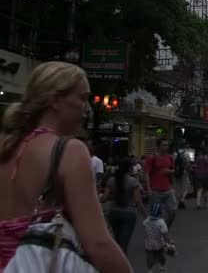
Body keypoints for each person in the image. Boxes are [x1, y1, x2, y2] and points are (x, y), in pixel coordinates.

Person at [0, 61, 133, 272]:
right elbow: (98, 244)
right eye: (82, 98)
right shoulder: (69, 151)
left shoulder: (5, 147)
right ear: (54, 99)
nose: (87, 107)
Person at [102, 157, 146, 254]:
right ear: (130, 168)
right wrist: (145, 216)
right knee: (123, 243)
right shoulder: (133, 181)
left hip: (114, 213)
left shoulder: (111, 180)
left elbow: (104, 198)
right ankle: (122, 264)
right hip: (129, 214)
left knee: (117, 240)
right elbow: (137, 200)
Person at [145, 137, 177, 228]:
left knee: (173, 211)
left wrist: (173, 185)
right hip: (156, 190)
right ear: (158, 146)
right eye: (163, 145)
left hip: (168, 189)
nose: (165, 147)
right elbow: (146, 174)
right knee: (156, 215)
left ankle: (165, 230)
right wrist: (148, 188)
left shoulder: (170, 158)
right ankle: (157, 235)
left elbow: (173, 171)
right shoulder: (152, 158)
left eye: (167, 145)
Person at [143, 203, 174, 273]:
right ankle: (162, 266)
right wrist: (169, 241)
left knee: (149, 257)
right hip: (159, 243)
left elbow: (143, 224)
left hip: (149, 242)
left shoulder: (147, 221)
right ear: (161, 213)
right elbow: (164, 234)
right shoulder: (161, 223)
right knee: (160, 256)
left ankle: (150, 270)